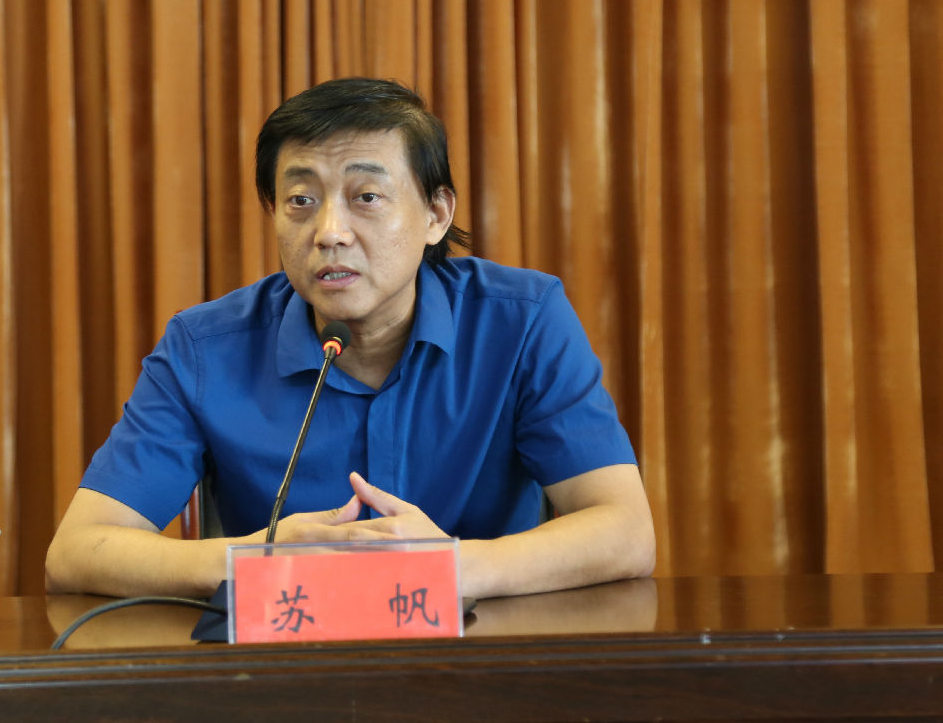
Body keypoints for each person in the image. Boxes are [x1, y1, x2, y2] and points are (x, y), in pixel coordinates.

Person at [45, 77, 655, 600]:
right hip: (282, 671)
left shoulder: (521, 322)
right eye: (301, 201)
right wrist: (254, 558)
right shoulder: (206, 349)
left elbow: (626, 531)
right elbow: (76, 552)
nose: (329, 231)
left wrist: (451, 566)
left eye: (366, 197)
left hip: (480, 666)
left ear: (436, 215)